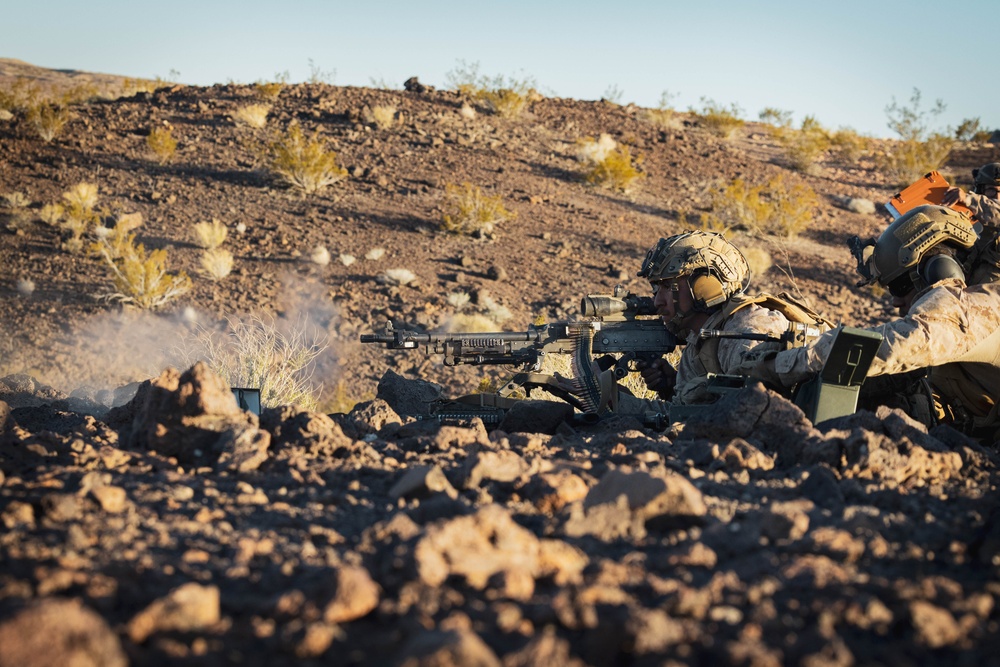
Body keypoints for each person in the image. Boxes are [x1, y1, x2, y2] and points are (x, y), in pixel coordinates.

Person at [755, 205, 1000, 443]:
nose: (894, 301)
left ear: (940, 271)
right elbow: (905, 370)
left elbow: (899, 344)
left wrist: (783, 365)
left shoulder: (978, 308)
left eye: (899, 286)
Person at [633, 230, 832, 405]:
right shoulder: (700, 340)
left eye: (668, 287)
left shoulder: (746, 328)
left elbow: (748, 402)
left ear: (704, 285)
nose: (657, 301)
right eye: (656, 289)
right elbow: (689, 417)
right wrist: (670, 387)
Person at [942, 162, 1000, 283]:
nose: (997, 197)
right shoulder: (966, 214)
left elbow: (996, 212)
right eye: (991, 190)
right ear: (980, 190)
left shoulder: (974, 203)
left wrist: (968, 199)